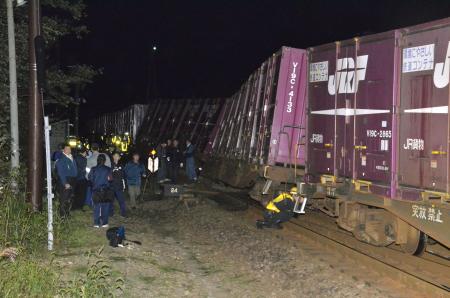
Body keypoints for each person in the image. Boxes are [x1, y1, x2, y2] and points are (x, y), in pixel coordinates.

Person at [88, 154, 113, 228]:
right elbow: (110, 179)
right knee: (105, 207)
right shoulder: (108, 169)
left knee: (97, 207)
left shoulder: (93, 169)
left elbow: (90, 178)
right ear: (104, 161)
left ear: (97, 160)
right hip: (106, 190)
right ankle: (105, 223)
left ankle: (96, 223)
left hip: (96, 190)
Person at [55, 144, 78, 218]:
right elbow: (61, 172)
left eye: (70, 149)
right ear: (63, 150)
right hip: (66, 180)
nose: (69, 150)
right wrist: (65, 183)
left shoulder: (71, 157)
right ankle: (62, 216)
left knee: (70, 198)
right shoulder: (61, 159)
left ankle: (67, 213)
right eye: (67, 149)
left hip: (72, 180)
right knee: (64, 198)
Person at [110, 152, 127, 217]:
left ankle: (123, 213)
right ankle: (110, 213)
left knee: (121, 200)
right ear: (113, 157)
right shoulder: (110, 165)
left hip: (119, 186)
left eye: (117, 156)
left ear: (119, 158)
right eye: (115, 156)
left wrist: (124, 184)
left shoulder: (121, 166)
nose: (116, 157)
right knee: (111, 200)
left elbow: (124, 175)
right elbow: (108, 175)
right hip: (111, 185)